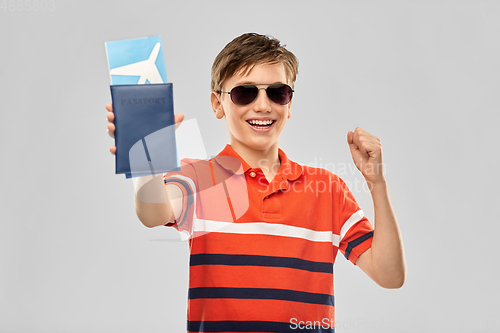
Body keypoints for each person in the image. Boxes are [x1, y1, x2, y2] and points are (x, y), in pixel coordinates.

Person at [106, 33, 406, 333]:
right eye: (244, 93)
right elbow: (151, 212)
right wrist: (142, 155)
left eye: (277, 92)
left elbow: (390, 275)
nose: (262, 105)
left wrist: (376, 183)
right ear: (217, 103)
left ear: (289, 104)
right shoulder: (200, 179)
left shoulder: (327, 188)